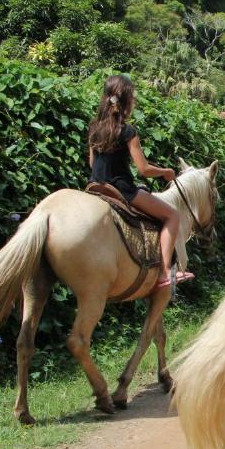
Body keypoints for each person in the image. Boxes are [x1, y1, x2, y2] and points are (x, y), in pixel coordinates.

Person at [88, 74, 184, 289]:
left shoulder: (94, 128)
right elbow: (144, 169)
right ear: (126, 101)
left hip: (95, 187)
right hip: (122, 190)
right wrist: (166, 172)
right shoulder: (128, 131)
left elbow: (92, 163)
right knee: (172, 215)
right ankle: (164, 272)